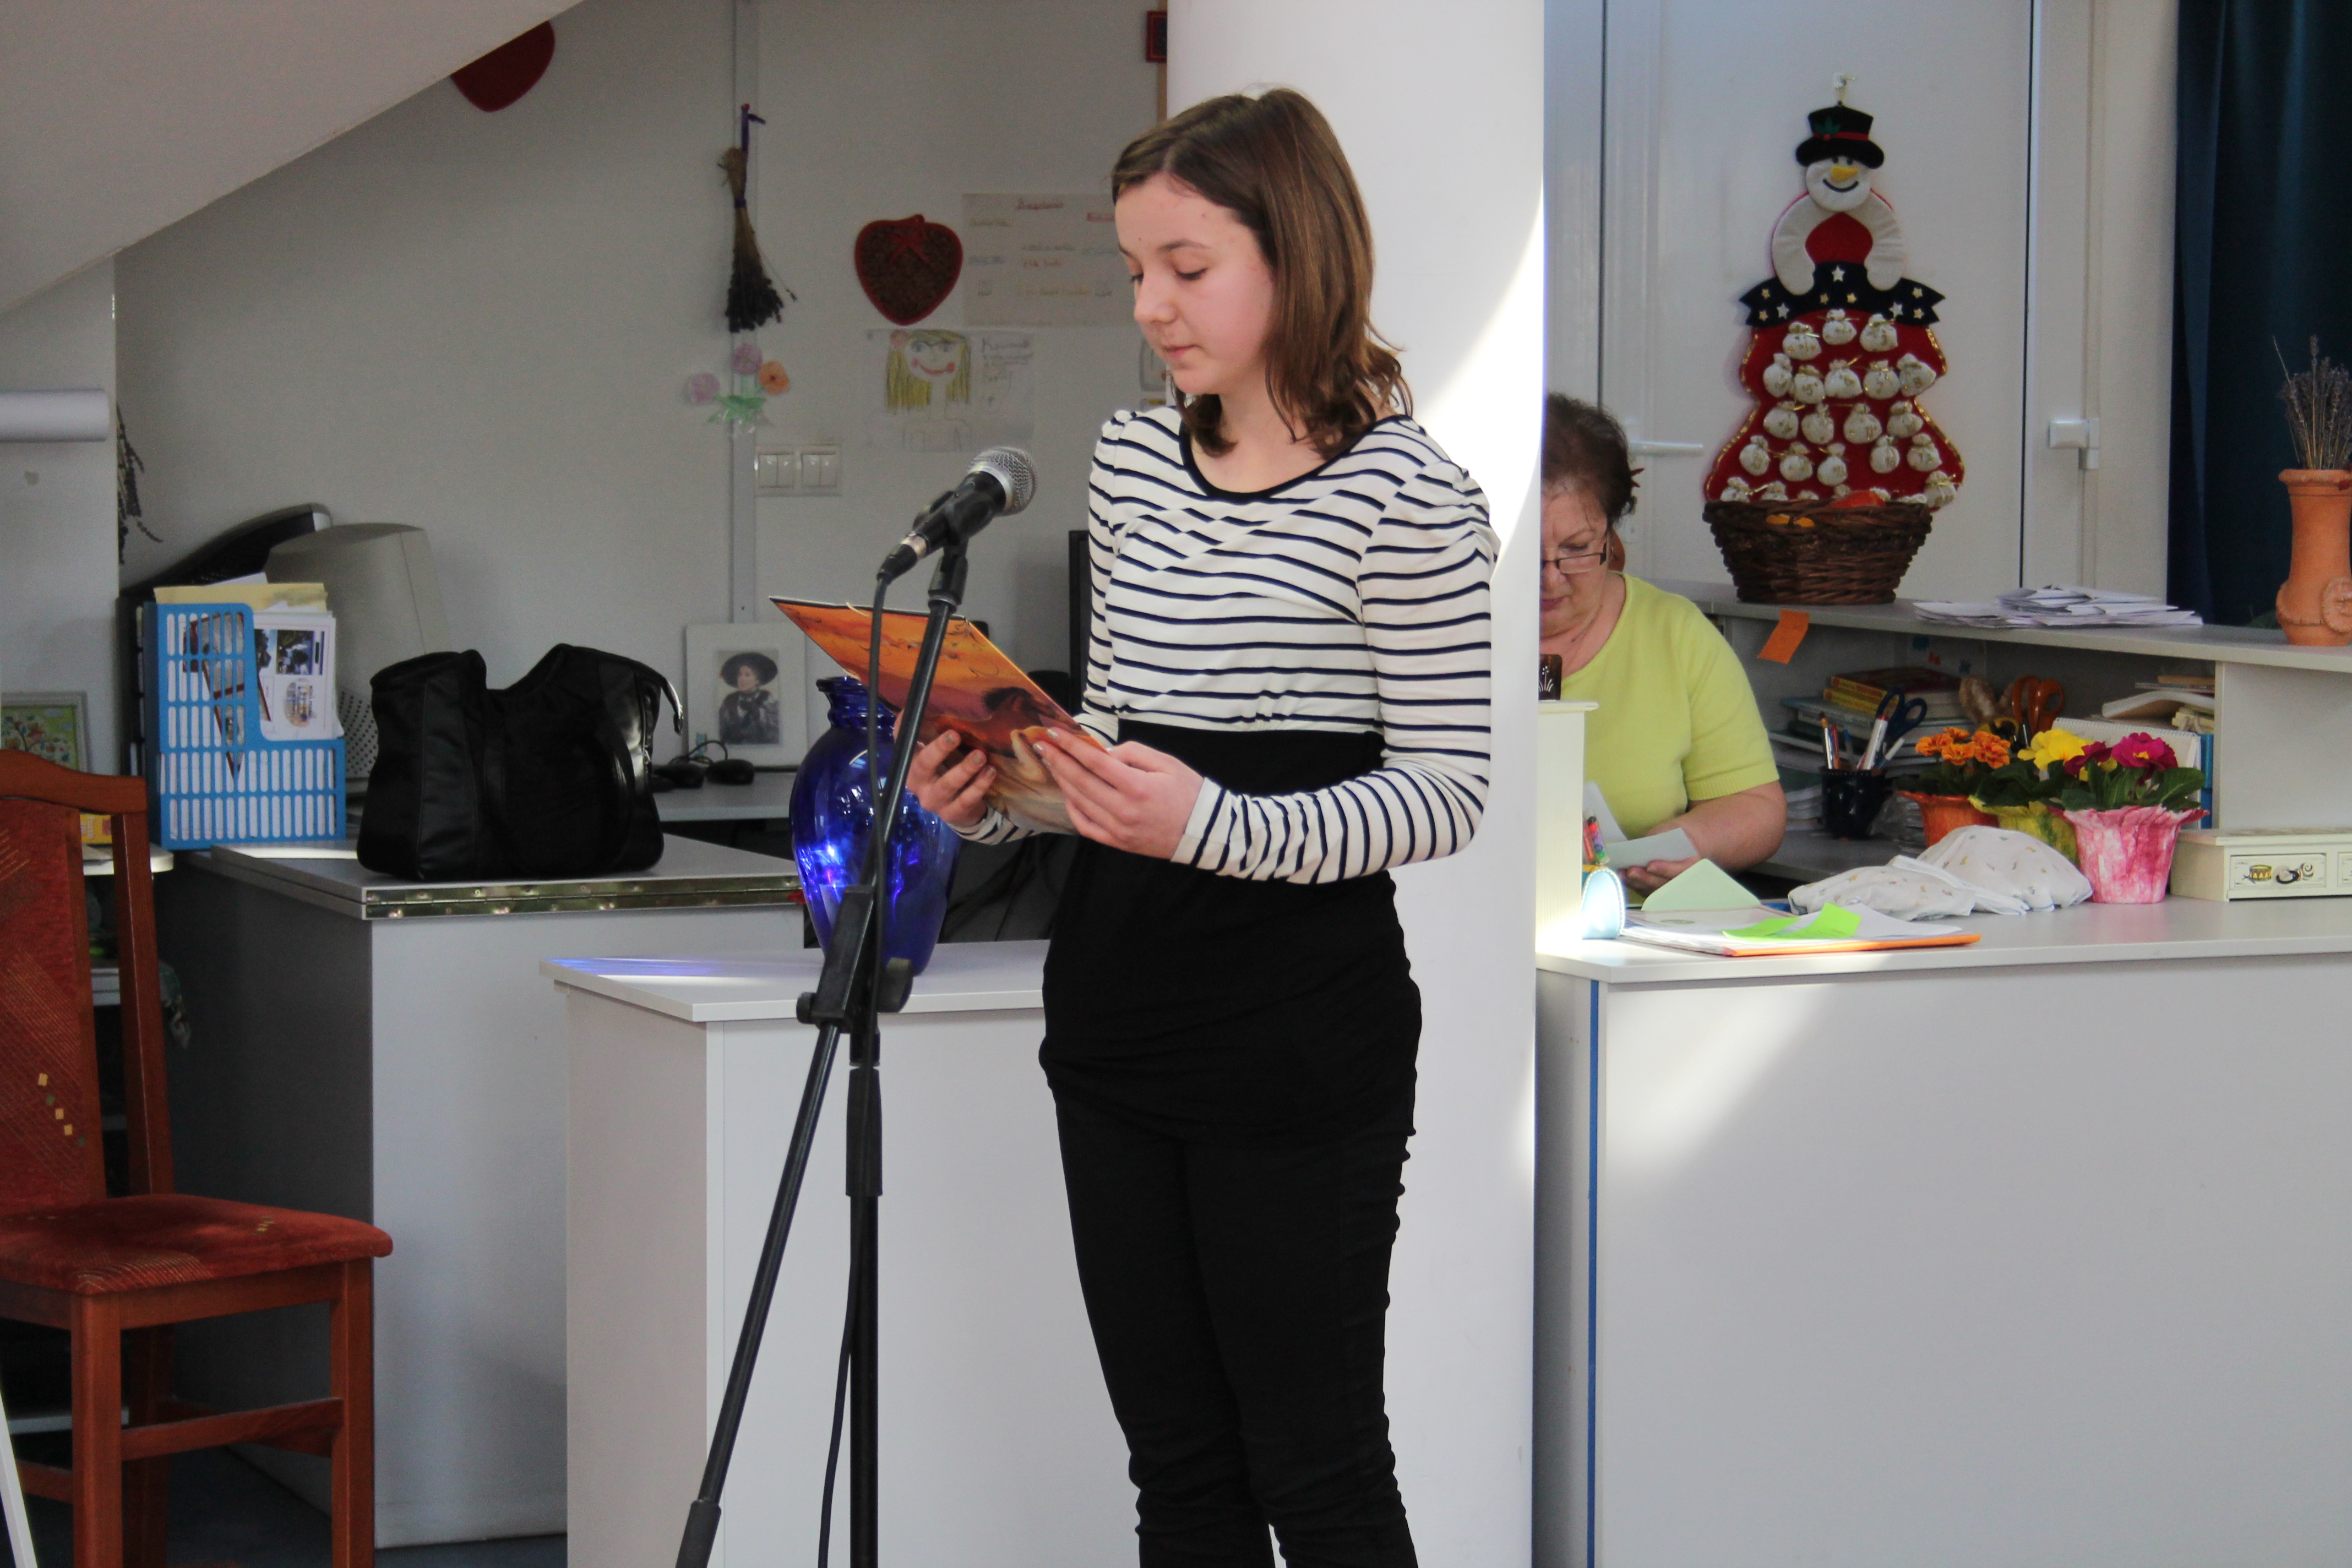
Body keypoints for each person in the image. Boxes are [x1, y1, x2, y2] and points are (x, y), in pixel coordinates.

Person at [908, 88, 1493, 1568]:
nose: (1149, 306)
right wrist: (1002, 799)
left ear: (1295, 254)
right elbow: (1123, 744)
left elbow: (1448, 792)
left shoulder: (1411, 497)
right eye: (1134, 270)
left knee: (1320, 1468)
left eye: (1186, 266)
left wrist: (1215, 824)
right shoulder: (1131, 458)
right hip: (1116, 1011)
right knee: (1178, 1470)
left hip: (1297, 1036)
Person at [1540, 394, 1784, 893]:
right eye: (1524, 551)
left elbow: (1757, 808)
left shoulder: (1673, 634)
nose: (1550, 579)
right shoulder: (1431, 631)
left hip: (1625, 926)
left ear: (1610, 535)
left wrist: (1691, 839)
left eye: (1576, 549)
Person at [715, 651, 780, 745]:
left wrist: (758, 714)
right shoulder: (730, 700)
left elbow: (775, 733)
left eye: (747, 675)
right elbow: (721, 732)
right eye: (740, 675)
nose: (742, 679)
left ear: (757, 680)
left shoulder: (768, 699)